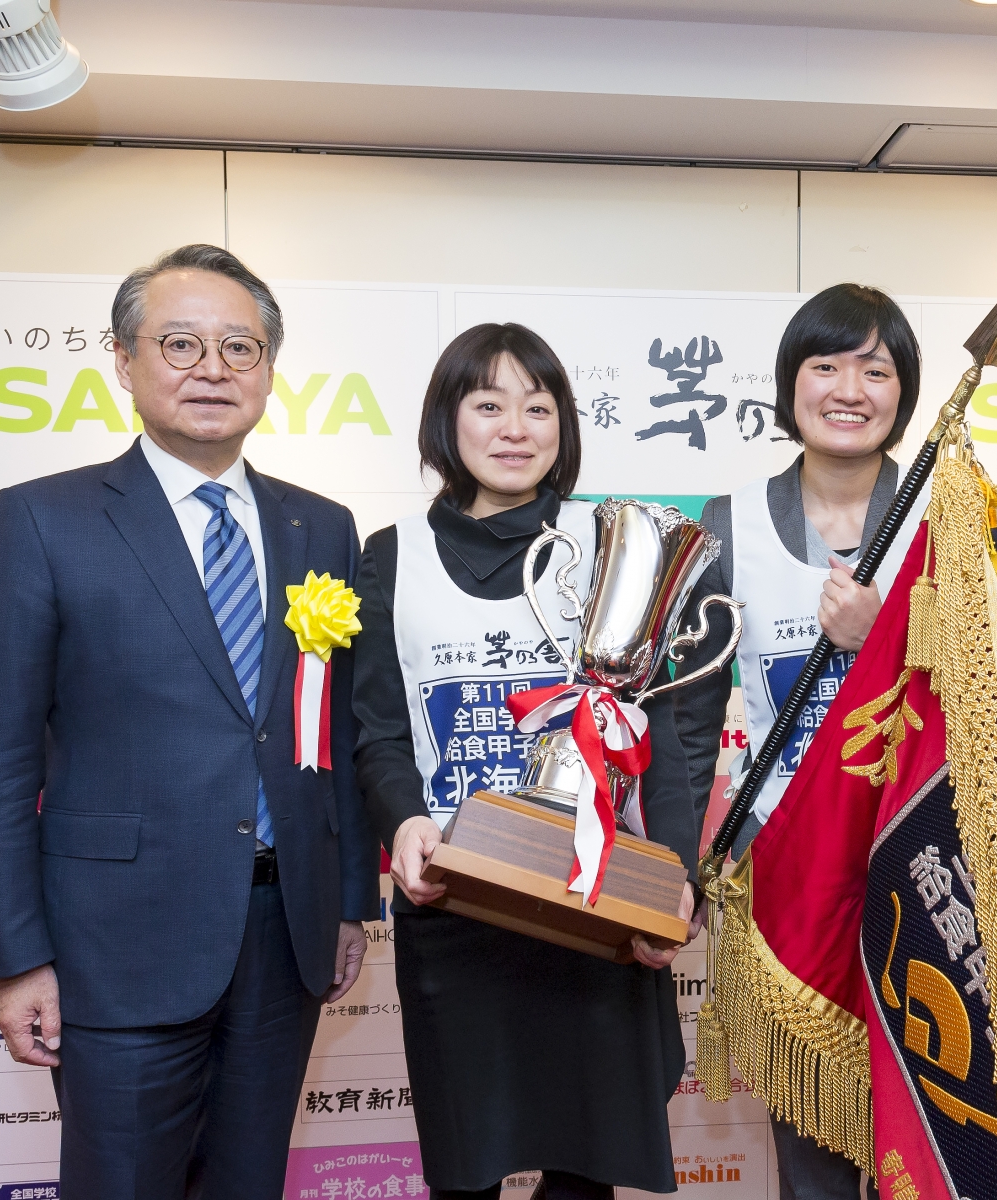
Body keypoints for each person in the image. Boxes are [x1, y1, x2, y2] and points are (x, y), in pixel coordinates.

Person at [0, 244, 378, 1199]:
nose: (212, 369)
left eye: (240, 347)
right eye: (181, 343)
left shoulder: (321, 526)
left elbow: (333, 736)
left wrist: (351, 898)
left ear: (269, 368)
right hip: (114, 946)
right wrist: (18, 957)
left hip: (285, 935)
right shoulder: (40, 520)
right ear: (124, 359)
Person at [352, 322, 702, 1200]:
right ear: (447, 420)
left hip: (594, 901)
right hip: (456, 900)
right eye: (488, 404)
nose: (515, 428)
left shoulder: (617, 543)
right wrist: (403, 822)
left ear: (564, 425)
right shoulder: (391, 555)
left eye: (538, 408)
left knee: (586, 1175)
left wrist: (675, 881)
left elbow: (658, 733)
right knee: (464, 1170)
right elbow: (379, 730)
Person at [672, 283, 928, 1200]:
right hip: (781, 863)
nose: (849, 389)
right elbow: (689, 719)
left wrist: (882, 637)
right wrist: (687, 861)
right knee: (810, 1138)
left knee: (928, 1123)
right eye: (826, 365)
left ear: (904, 392)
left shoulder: (952, 514)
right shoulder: (727, 519)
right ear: (790, 386)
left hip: (922, 864)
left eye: (876, 370)